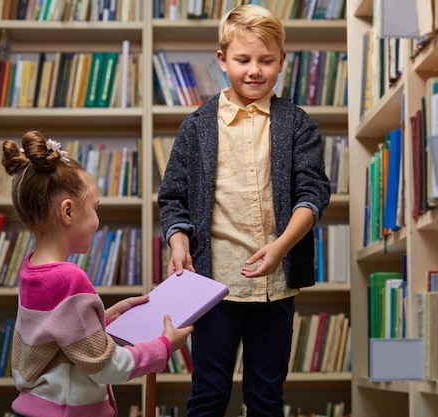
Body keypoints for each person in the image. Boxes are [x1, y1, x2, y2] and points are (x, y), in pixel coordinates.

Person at [157, 4, 331, 416]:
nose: (255, 70)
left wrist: (281, 247)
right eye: (243, 60)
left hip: (276, 287)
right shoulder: (197, 125)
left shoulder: (298, 123)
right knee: (208, 395)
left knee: (266, 398)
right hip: (213, 287)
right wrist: (178, 242)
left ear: (282, 61)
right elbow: (173, 198)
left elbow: (314, 193)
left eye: (267, 61)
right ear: (222, 61)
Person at [2, 130, 193, 417]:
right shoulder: (69, 279)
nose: (97, 220)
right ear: (68, 212)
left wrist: (106, 317)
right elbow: (107, 367)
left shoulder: (33, 269)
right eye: (94, 208)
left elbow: (55, 337)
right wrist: (165, 347)